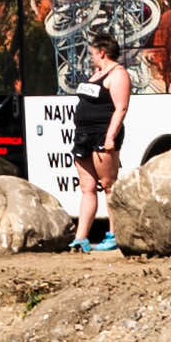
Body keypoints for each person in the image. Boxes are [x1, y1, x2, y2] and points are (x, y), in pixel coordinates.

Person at [69, 46, 133, 248]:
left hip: (102, 134)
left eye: (93, 53)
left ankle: (114, 235)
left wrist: (110, 137)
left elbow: (121, 108)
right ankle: (81, 238)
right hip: (83, 136)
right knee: (87, 187)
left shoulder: (118, 74)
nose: (91, 57)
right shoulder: (96, 74)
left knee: (108, 185)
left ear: (103, 52)